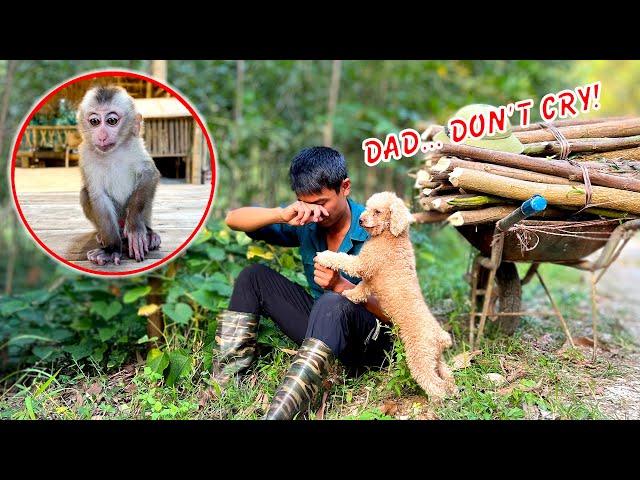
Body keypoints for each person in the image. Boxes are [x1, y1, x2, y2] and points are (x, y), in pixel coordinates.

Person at [219, 146, 394, 420]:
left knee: (332, 300)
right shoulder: (307, 221)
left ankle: (281, 414)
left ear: (345, 187)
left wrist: (341, 286)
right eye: (307, 203)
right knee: (253, 277)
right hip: (323, 332)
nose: (316, 212)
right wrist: (282, 215)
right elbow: (233, 219)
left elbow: (397, 311)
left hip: (370, 345)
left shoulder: (378, 230)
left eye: (322, 202)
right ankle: (226, 384)